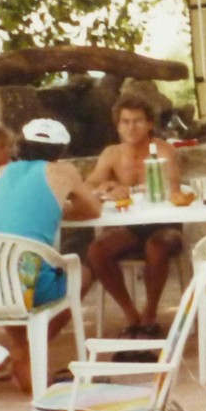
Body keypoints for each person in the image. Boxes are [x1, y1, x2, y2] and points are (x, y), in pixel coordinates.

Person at [0, 117, 103, 392]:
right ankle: (29, 348)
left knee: (22, 272)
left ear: (21, 145)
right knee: (82, 272)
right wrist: (61, 206)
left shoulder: (2, 172)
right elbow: (94, 210)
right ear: (61, 151)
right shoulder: (63, 171)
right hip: (27, 283)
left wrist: (56, 208)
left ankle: (21, 348)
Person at [85, 94, 184, 339]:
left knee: (156, 246)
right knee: (97, 250)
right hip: (128, 226)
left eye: (138, 121)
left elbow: (173, 186)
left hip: (164, 224)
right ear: (117, 125)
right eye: (125, 121)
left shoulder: (163, 149)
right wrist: (106, 187)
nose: (131, 127)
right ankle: (131, 314)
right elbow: (88, 185)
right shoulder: (112, 153)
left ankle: (150, 314)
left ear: (149, 123)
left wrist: (134, 189)